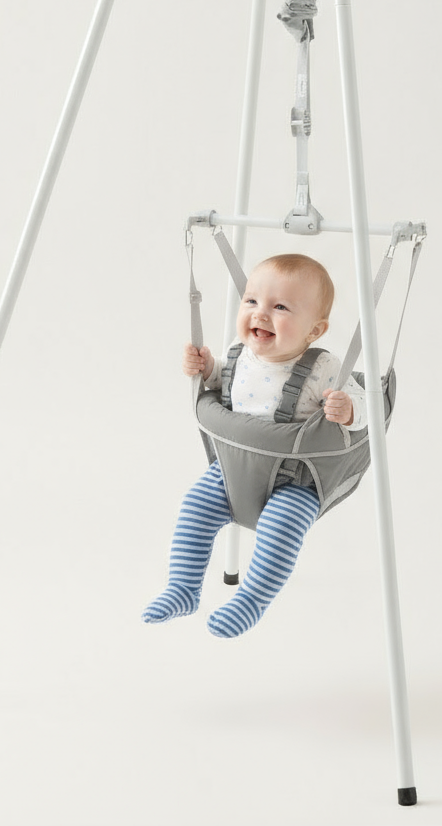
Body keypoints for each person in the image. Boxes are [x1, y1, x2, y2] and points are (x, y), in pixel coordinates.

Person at [142, 253, 367, 638]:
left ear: (314, 330)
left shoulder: (324, 368)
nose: (260, 313)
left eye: (280, 307)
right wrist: (205, 367)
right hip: (232, 470)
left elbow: (365, 407)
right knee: (194, 507)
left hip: (295, 482)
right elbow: (222, 380)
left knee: (282, 528)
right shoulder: (238, 351)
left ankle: (251, 598)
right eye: (251, 301)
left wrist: (347, 410)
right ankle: (183, 588)